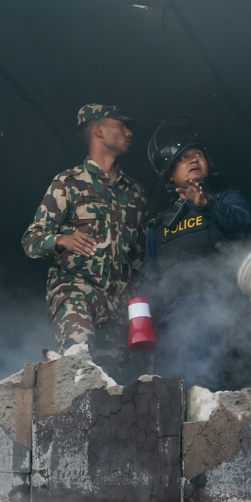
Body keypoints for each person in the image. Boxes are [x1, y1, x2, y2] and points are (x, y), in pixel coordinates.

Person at [22, 104, 147, 374]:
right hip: (75, 291)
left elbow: (140, 258)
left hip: (118, 307)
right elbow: (31, 240)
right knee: (78, 357)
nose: (129, 133)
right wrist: (61, 240)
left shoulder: (136, 193)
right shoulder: (67, 182)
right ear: (98, 131)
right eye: (121, 125)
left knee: (112, 381)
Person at [138, 116, 251, 388]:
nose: (193, 160)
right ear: (169, 174)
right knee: (168, 391)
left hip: (219, 313)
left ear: (208, 163)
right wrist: (143, 319)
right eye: (182, 157)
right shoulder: (158, 225)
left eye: (198, 154)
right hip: (173, 323)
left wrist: (207, 206)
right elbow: (148, 276)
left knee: (205, 383)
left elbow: (244, 223)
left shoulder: (227, 199)